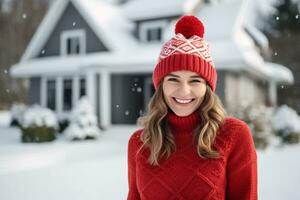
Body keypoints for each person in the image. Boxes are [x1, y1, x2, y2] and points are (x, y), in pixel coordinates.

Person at [127, 15, 257, 200]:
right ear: (161, 85)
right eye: (173, 79)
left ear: (207, 88)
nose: (184, 91)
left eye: (195, 80)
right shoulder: (139, 142)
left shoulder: (234, 135)